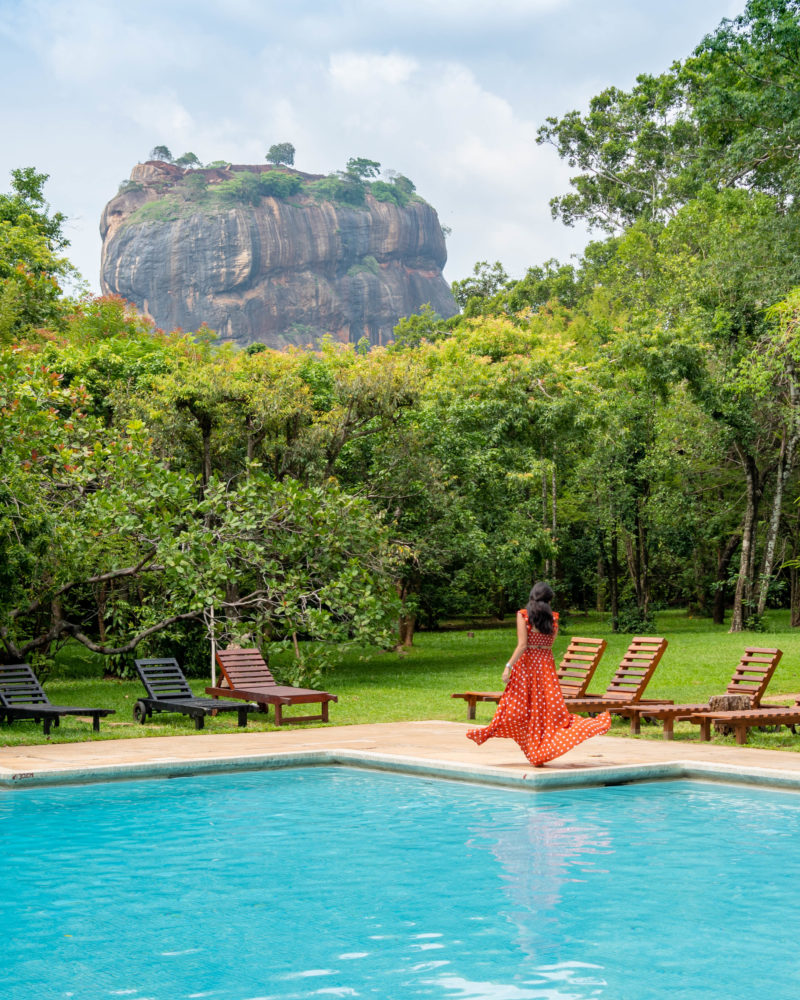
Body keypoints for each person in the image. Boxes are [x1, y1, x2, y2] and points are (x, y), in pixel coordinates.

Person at [466, 582, 610, 766]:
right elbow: (550, 643)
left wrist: (508, 666)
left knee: (516, 707)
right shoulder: (554, 618)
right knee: (545, 712)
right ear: (549, 600)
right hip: (545, 667)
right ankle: (538, 749)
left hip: (527, 667)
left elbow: (523, 645)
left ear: (532, 596)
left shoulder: (523, 615)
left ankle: (527, 746)